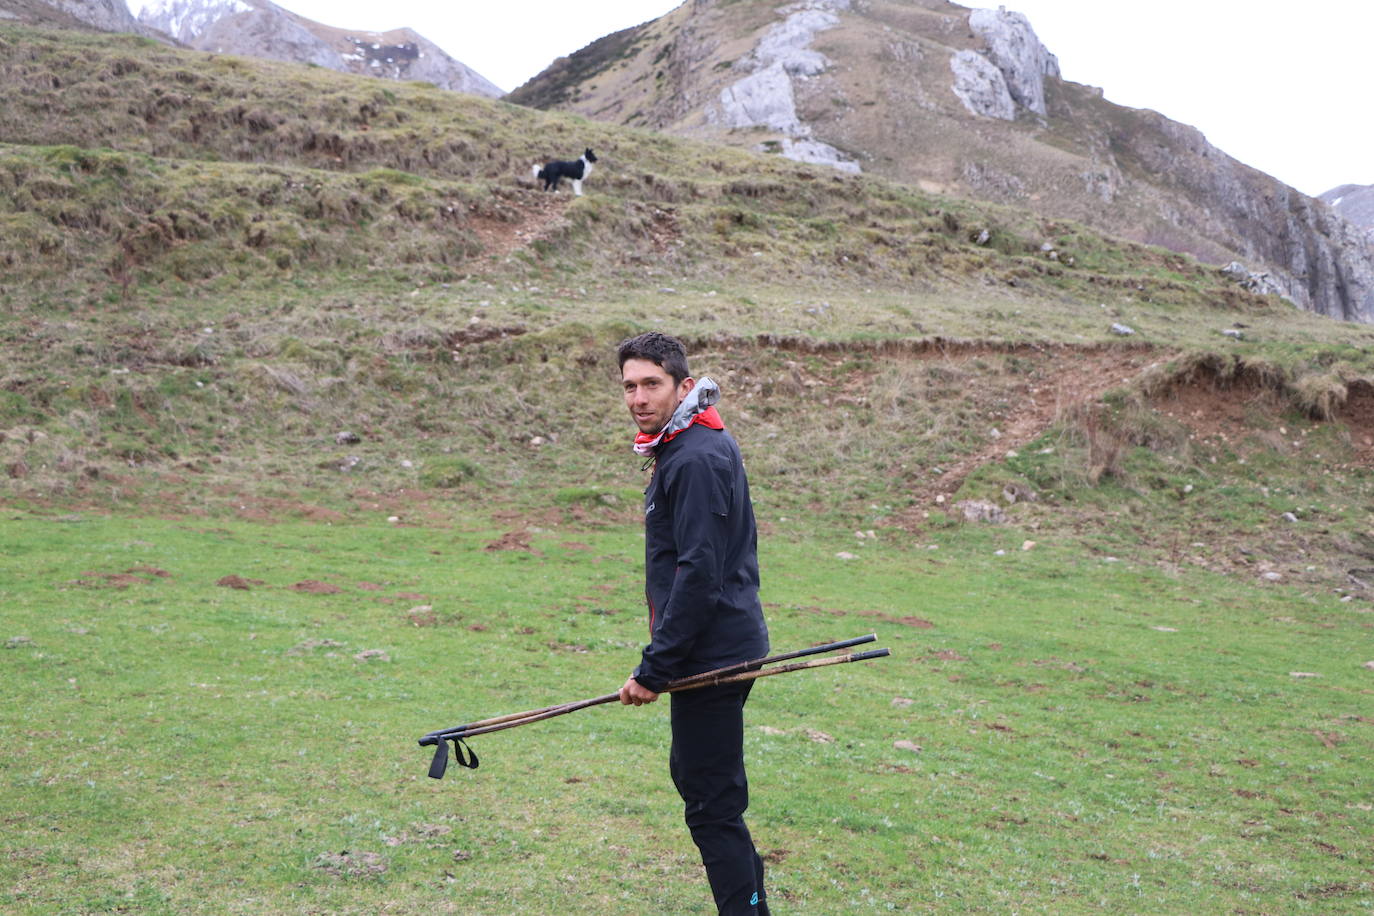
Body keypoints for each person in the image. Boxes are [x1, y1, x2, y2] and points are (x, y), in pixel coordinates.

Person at [615, 331, 772, 916]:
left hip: (714, 654)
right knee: (702, 781)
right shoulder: (687, 443)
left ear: (683, 385)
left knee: (712, 804)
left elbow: (698, 574)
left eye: (650, 384)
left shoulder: (696, 457)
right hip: (720, 646)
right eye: (629, 386)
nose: (637, 397)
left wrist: (655, 669)